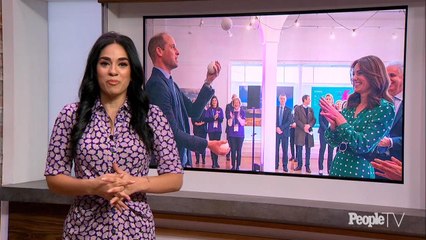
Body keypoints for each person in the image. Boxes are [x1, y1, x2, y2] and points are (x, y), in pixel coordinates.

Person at [44, 32, 183, 239]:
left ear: (132, 71)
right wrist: (93, 187)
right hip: (84, 231)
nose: (113, 72)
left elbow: (175, 178)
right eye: (105, 63)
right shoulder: (70, 115)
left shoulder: (152, 116)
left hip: (136, 230)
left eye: (122, 64)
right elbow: (54, 177)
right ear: (95, 69)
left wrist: (137, 183)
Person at [146, 32, 229, 168]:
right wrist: (208, 144)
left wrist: (208, 82)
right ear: (159, 51)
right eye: (173, 47)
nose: (178, 52)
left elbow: (194, 111)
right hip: (166, 166)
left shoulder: (171, 84)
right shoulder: (157, 86)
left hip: (178, 160)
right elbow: (172, 133)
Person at [320, 55, 395, 179]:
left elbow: (363, 145)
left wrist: (341, 121)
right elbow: (333, 142)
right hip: (338, 166)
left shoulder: (384, 108)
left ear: (374, 75)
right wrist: (333, 126)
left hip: (360, 170)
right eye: (353, 74)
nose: (354, 78)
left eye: (359, 73)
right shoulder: (351, 104)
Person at [374, 62, 404, 161]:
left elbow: (417, 137)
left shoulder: (414, 105)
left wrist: (391, 142)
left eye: (392, 75)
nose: (388, 79)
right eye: (385, 76)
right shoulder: (377, 102)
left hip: (398, 164)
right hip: (375, 161)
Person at [294, 95, 316, 173]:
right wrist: (304, 126)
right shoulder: (297, 109)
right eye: (309, 99)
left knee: (308, 150)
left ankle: (307, 166)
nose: (310, 100)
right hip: (300, 132)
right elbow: (296, 119)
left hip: (308, 133)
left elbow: (314, 120)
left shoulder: (311, 109)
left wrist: (309, 125)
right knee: (299, 150)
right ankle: (299, 165)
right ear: (304, 100)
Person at [204, 96, 224, 168]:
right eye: (213, 100)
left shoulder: (220, 109)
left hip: (218, 130)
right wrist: (213, 118)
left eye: (215, 100)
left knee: (217, 146)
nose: (214, 102)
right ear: (211, 102)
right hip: (211, 130)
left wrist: (217, 117)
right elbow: (206, 119)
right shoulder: (209, 110)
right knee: (212, 146)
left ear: (217, 101)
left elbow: (221, 120)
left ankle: (216, 162)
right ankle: (213, 162)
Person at [318, 93, 335, 175]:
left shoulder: (334, 109)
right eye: (327, 99)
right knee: (322, 150)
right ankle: (320, 169)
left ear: (332, 100)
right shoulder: (321, 109)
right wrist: (327, 130)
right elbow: (320, 121)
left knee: (330, 152)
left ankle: (329, 169)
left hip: (332, 134)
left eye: (329, 99)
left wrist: (331, 131)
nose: (328, 100)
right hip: (323, 132)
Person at [275, 94, 293, 172]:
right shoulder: (275, 109)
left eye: (284, 99)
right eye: (281, 98)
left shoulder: (289, 110)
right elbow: (272, 119)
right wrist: (276, 128)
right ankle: (276, 164)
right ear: (279, 100)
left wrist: (281, 128)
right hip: (276, 132)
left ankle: (285, 165)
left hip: (284, 133)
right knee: (276, 149)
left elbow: (289, 121)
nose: (282, 100)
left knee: (285, 150)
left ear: (285, 100)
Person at [227, 97, 246, 170]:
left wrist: (238, 117)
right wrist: (231, 118)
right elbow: (229, 124)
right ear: (233, 104)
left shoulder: (242, 111)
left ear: (239, 103)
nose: (236, 104)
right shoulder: (231, 112)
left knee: (239, 150)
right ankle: (233, 166)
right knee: (233, 150)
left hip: (240, 134)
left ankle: (238, 166)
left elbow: (243, 123)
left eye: (237, 102)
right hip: (232, 134)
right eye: (234, 102)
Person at [225, 94, 238, 161]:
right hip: (230, 127)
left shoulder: (238, 107)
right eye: (234, 98)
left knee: (235, 143)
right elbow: (227, 116)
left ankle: (234, 155)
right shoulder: (228, 106)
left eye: (236, 99)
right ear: (232, 98)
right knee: (229, 142)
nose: (235, 100)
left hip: (236, 128)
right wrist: (231, 117)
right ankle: (228, 155)